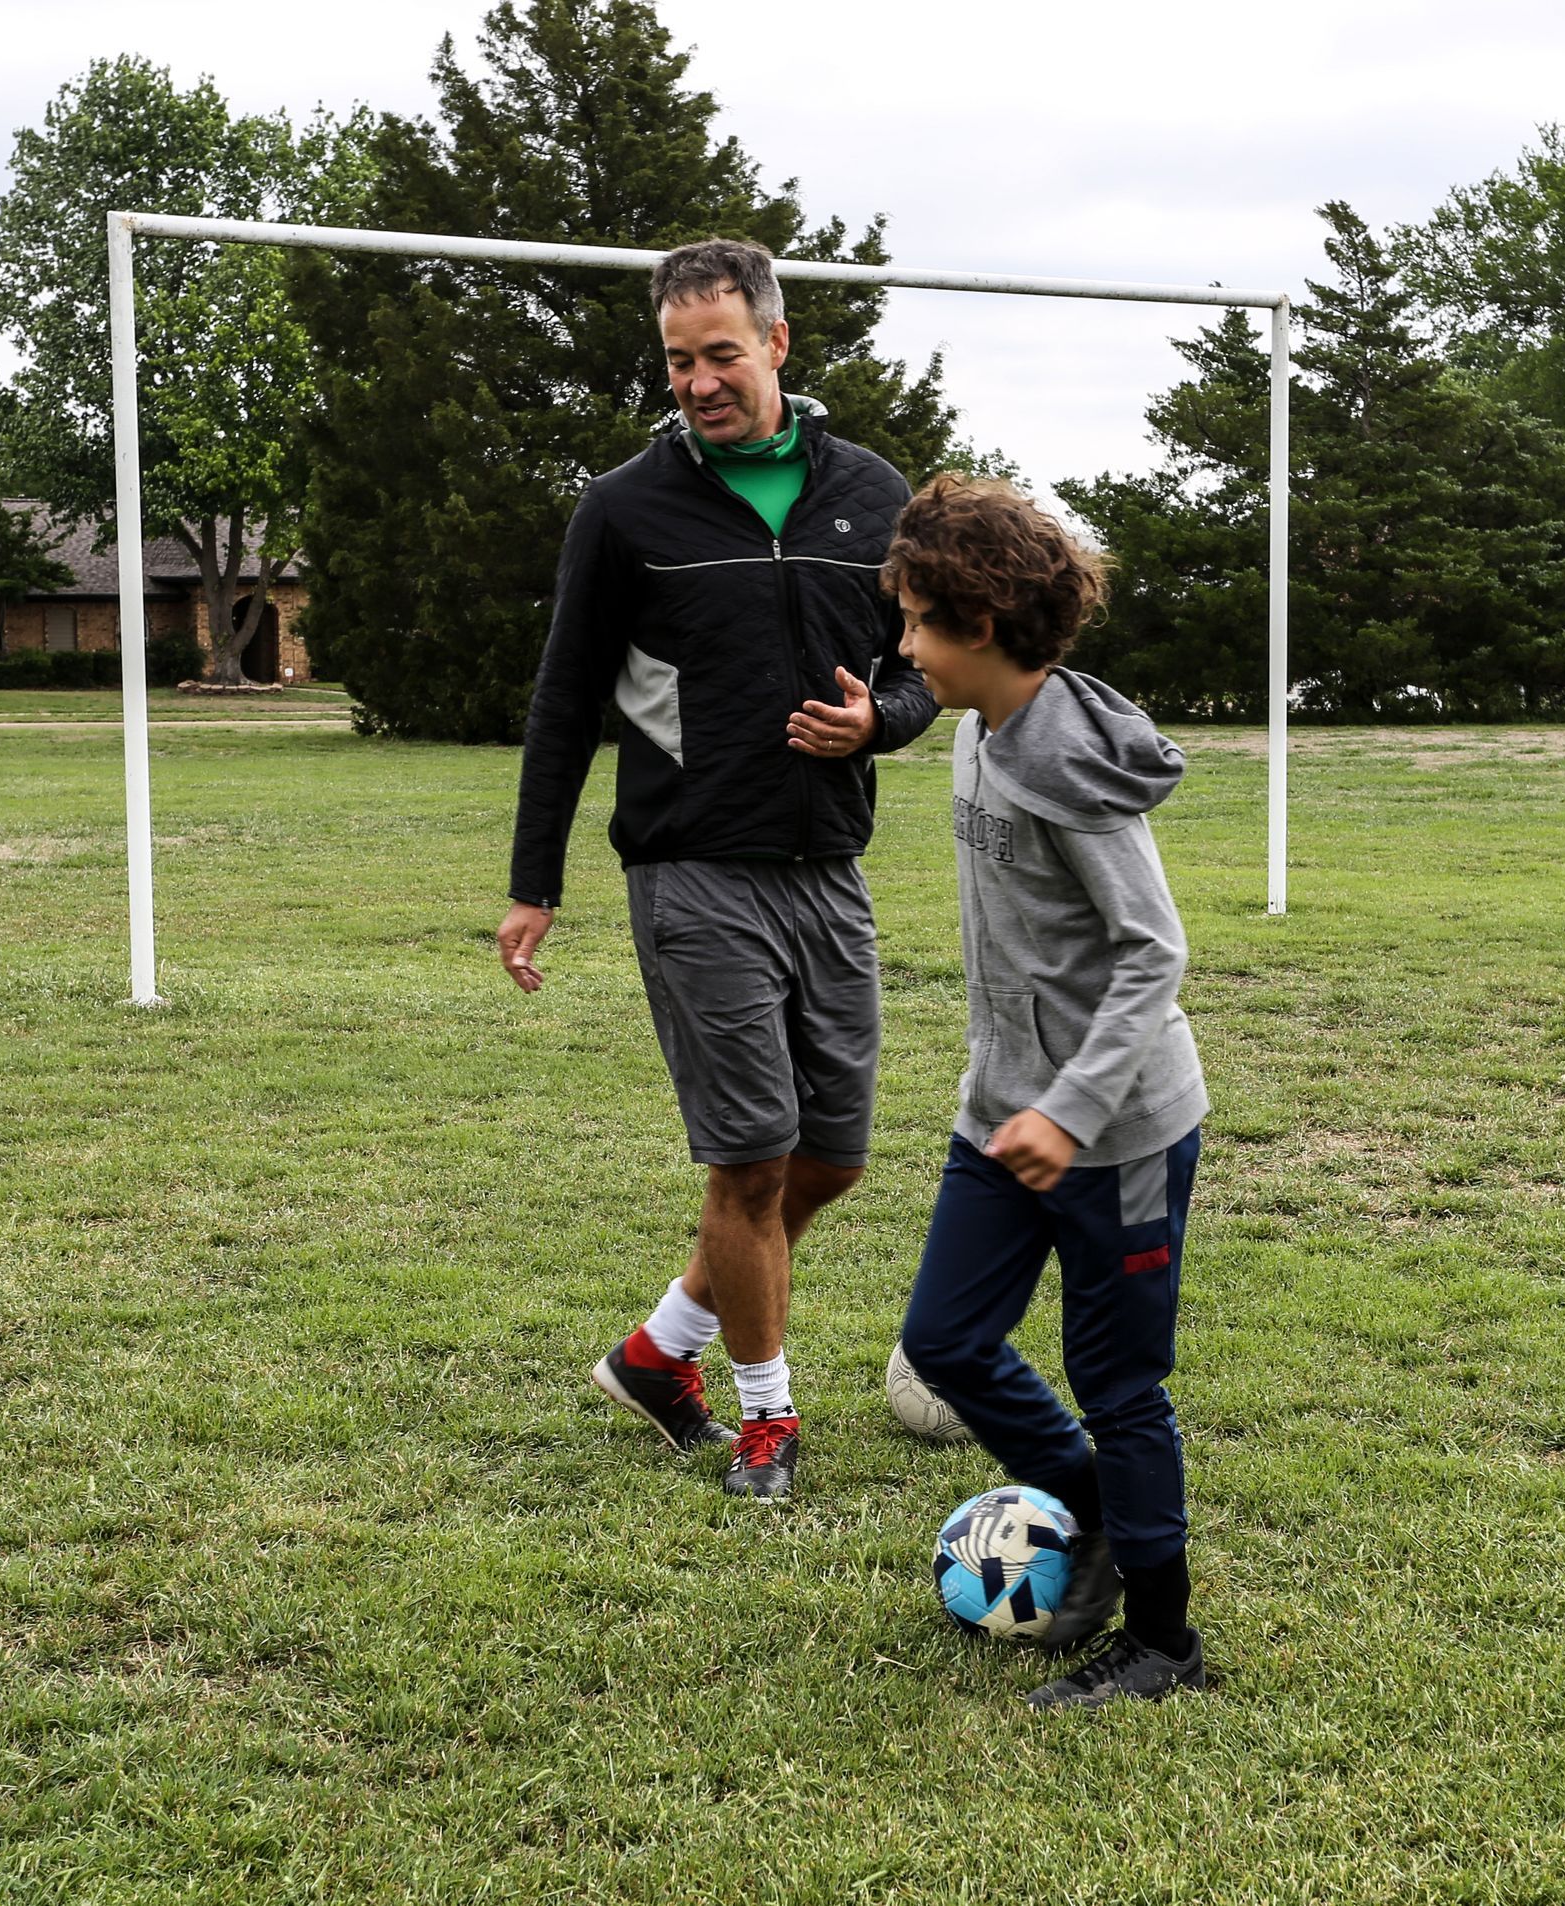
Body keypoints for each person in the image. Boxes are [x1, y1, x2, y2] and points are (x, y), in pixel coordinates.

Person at [498, 237, 937, 1501]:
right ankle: (765, 1419)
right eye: (679, 360)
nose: (698, 382)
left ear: (779, 346)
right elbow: (564, 701)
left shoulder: (870, 491)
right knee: (748, 1161)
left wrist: (882, 723)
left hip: (830, 872)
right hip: (691, 871)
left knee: (833, 1159)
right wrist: (537, 881)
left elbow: (917, 662)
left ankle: (657, 1350)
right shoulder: (626, 508)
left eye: (721, 356)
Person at [887, 474, 1211, 1710]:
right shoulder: (978, 724)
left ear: (981, 623)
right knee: (947, 1341)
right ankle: (1098, 1518)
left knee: (1121, 1384)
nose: (907, 646)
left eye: (920, 622)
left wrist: (1072, 1106)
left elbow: (1154, 951)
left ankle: (1166, 1644)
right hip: (1000, 1113)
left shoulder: (1071, 768)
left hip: (1114, 1129)